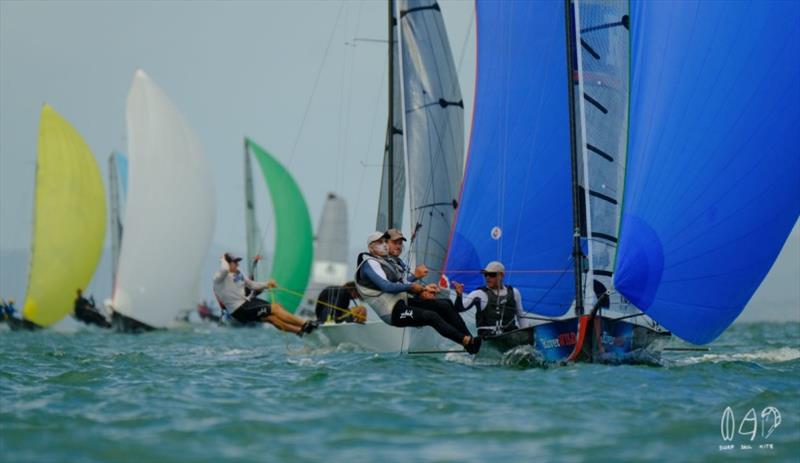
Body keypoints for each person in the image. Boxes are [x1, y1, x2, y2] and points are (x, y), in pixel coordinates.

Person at [356, 231, 481, 354]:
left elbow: (402, 283)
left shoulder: (387, 262)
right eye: (379, 242)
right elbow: (387, 286)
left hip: (402, 302)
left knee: (445, 304)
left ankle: (471, 343)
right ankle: (465, 341)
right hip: (391, 312)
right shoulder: (369, 263)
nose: (383, 245)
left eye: (384, 241)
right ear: (370, 247)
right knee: (431, 316)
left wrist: (424, 289)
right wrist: (414, 286)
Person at [213, 253, 317, 335]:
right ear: (228, 263)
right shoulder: (219, 277)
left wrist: (267, 284)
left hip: (246, 303)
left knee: (272, 317)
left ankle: (299, 331)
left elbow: (251, 284)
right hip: (239, 309)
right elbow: (225, 269)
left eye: (238, 262)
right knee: (275, 308)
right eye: (235, 262)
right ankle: (306, 324)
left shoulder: (238, 272)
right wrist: (223, 258)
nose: (238, 264)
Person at [455, 261, 531, 337]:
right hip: (487, 337)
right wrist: (459, 295)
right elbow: (459, 308)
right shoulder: (479, 293)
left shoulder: (514, 292)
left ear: (501, 275)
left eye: (492, 274)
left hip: (511, 335)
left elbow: (521, 317)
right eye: (485, 274)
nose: (487, 277)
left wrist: (528, 334)